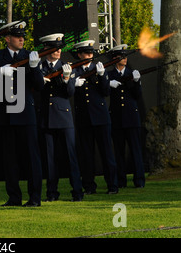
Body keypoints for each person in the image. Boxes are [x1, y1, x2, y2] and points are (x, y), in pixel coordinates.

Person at [0, 21, 44, 207]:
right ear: (7, 39)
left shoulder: (30, 55)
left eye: (22, 36)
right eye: (16, 36)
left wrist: (35, 67)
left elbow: (39, 86)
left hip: (25, 112)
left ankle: (35, 197)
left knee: (31, 157)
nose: (21, 39)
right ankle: (13, 197)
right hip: (5, 112)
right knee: (10, 159)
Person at [38, 34, 83, 202]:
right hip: (47, 117)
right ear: (46, 49)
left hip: (63, 116)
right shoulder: (40, 67)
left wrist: (65, 79)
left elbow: (70, 93)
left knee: (71, 156)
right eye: (54, 48)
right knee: (50, 160)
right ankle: (51, 193)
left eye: (59, 48)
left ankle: (77, 192)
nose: (58, 51)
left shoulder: (66, 67)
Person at [73, 40, 119, 195]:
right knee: (86, 155)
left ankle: (112, 186)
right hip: (84, 118)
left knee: (107, 153)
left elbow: (106, 92)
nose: (89, 55)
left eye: (91, 53)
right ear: (79, 54)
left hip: (100, 117)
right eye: (86, 53)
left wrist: (101, 76)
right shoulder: (74, 71)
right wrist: (72, 83)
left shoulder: (98, 69)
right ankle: (89, 186)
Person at [108, 44, 145, 188]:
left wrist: (137, 82)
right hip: (116, 117)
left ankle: (139, 180)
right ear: (114, 58)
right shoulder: (109, 75)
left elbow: (137, 95)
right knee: (119, 152)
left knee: (136, 150)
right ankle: (121, 180)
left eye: (125, 56)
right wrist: (108, 83)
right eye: (121, 56)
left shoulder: (132, 73)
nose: (124, 59)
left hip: (131, 117)